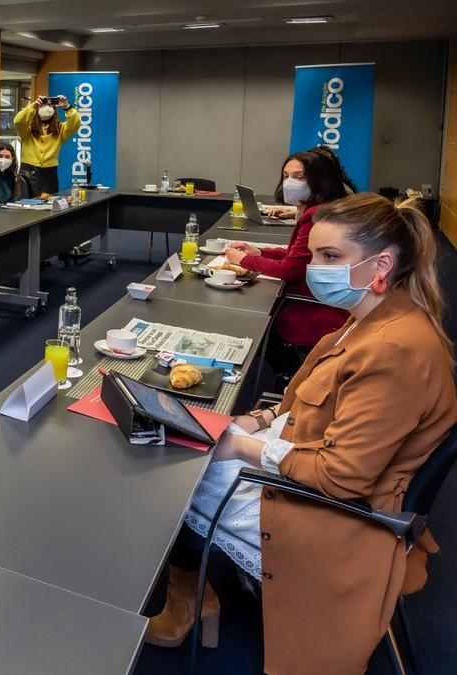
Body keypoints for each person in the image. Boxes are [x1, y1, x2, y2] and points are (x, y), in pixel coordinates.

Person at [147, 194, 457, 673]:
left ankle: (189, 600)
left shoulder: (394, 348)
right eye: (313, 254)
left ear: (383, 263)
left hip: (344, 518)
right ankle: (194, 597)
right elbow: (293, 405)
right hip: (308, 464)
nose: (314, 268)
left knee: (165, 472)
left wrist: (238, 445)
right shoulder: (366, 322)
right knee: (181, 446)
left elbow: (342, 478)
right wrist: (251, 423)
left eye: (331, 257)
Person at [224, 149, 350, 367]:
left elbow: (291, 270)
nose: (289, 182)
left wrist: (243, 260)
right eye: (286, 176)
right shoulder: (317, 209)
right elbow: (300, 257)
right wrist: (260, 252)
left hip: (313, 309)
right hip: (323, 300)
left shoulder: (315, 216)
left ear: (320, 180)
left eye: (299, 177)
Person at [13, 94, 81, 196]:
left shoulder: (60, 129)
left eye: (50, 105)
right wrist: (33, 106)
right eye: (42, 105)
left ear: (54, 109)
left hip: (49, 173)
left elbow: (75, 124)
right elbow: (18, 121)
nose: (46, 108)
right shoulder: (27, 128)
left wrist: (67, 107)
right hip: (28, 172)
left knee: (49, 204)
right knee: (26, 204)